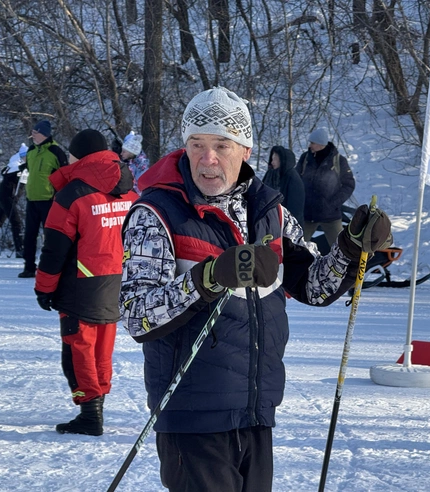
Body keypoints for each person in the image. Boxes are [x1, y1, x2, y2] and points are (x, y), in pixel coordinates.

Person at [119, 87, 392, 491]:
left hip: (255, 411)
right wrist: (210, 276)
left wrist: (351, 248)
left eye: (221, 146)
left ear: (245, 150)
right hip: (192, 416)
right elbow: (137, 314)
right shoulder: (156, 213)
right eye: (197, 144)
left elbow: (314, 285)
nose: (207, 159)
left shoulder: (272, 212)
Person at [34, 129, 138, 436]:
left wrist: (44, 287)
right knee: (102, 349)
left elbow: (54, 249)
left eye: (71, 154)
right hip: (117, 280)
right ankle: (97, 407)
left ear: (80, 156)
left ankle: (90, 414)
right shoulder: (130, 192)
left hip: (80, 285)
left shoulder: (71, 195)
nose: (67, 158)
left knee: (78, 349)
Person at [18, 120, 68, 278]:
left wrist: (60, 196)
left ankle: (50, 267)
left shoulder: (55, 151)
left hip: (49, 201)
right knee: (30, 235)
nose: (32, 135)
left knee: (50, 236)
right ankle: (29, 267)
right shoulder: (31, 150)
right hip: (32, 199)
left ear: (44, 134)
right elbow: (30, 171)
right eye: (32, 132)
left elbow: (65, 174)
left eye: (36, 132)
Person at [296, 128, 356, 250]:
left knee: (342, 250)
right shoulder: (305, 158)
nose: (310, 145)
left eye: (312, 143)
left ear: (321, 144)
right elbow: (296, 180)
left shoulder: (338, 160)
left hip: (330, 215)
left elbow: (349, 184)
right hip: (307, 214)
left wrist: (333, 203)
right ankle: (297, 269)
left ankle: (345, 269)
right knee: (296, 247)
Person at [262, 145, 305, 225]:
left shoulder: (293, 178)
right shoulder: (270, 174)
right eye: (272, 158)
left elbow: (295, 208)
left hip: (286, 225)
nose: (272, 162)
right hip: (269, 222)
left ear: (282, 161)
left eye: (275, 159)